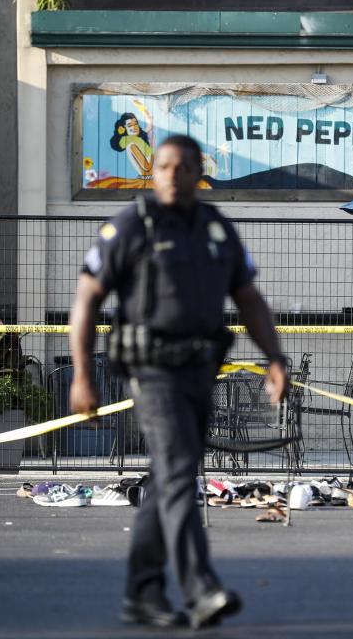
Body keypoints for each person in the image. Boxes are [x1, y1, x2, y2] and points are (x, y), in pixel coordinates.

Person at [68, 134, 288, 630]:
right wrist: (82, 374)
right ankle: (200, 588)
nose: (170, 173)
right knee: (178, 471)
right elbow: (86, 301)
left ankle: (142, 594)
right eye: (162, 165)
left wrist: (275, 357)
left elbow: (249, 298)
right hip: (152, 372)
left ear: (196, 172)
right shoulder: (130, 226)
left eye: (181, 166)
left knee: (169, 475)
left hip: (200, 367)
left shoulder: (215, 229)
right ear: (154, 172)